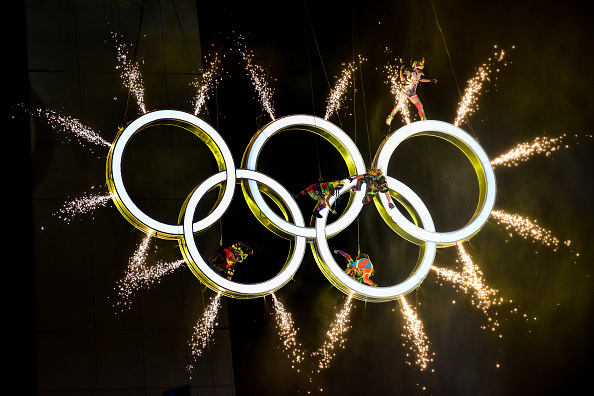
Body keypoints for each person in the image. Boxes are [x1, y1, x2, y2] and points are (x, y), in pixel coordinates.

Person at [386, 57, 437, 125]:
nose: (418, 70)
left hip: (413, 93)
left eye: (420, 69)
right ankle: (390, 117)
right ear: (415, 67)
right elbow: (402, 79)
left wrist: (431, 80)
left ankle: (423, 118)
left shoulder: (418, 74)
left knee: (420, 106)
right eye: (418, 69)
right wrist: (401, 70)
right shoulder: (410, 72)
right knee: (399, 106)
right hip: (405, 92)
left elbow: (421, 80)